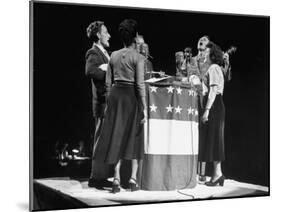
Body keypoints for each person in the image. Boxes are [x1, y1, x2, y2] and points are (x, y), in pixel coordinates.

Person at [93, 19, 147, 193]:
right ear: (135, 36)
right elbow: (140, 85)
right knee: (134, 136)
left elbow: (108, 84)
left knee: (117, 135)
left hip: (116, 96)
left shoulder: (113, 55)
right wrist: (144, 107)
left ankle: (116, 179)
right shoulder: (138, 57)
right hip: (131, 96)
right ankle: (132, 180)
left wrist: (110, 103)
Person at [85, 20, 113, 189]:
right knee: (100, 139)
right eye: (106, 32)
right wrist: (104, 69)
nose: (109, 35)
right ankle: (95, 177)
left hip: (109, 102)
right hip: (102, 103)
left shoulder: (105, 52)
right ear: (98, 35)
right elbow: (90, 71)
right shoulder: (93, 52)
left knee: (105, 140)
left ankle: (102, 176)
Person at [198, 41, 226, 186]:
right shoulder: (213, 68)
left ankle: (217, 174)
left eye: (207, 52)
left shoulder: (214, 68)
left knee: (216, 139)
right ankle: (217, 174)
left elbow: (213, 90)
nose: (204, 54)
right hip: (215, 104)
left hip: (215, 105)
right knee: (215, 140)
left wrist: (207, 110)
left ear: (213, 55)